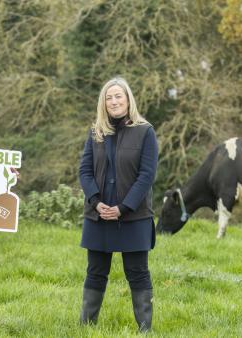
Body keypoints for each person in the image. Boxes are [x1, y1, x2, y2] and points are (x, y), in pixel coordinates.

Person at [78, 77, 158, 332]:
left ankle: (145, 330)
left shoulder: (145, 131)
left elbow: (147, 175)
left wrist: (124, 207)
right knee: (95, 271)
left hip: (133, 216)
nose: (113, 101)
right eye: (108, 97)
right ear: (104, 103)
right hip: (98, 215)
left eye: (118, 96)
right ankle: (86, 327)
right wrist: (95, 201)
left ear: (128, 99)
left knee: (137, 272)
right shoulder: (96, 132)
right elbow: (85, 171)